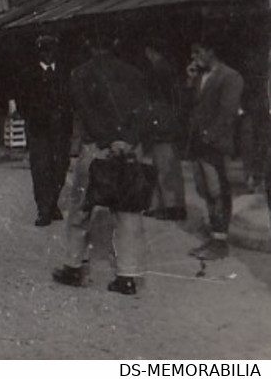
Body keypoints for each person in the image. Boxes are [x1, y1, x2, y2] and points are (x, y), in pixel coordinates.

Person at [52, 28, 151, 296]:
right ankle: (128, 275)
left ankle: (74, 266)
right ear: (115, 43)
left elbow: (85, 112)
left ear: (88, 44)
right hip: (128, 150)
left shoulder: (80, 73)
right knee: (128, 211)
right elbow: (144, 112)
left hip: (96, 148)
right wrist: (126, 141)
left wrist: (108, 140)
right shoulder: (134, 74)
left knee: (81, 207)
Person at [185, 33, 244, 262]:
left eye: (198, 52)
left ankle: (220, 242)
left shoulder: (231, 77)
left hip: (216, 146)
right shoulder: (200, 76)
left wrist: (209, 137)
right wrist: (189, 82)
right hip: (199, 144)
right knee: (206, 191)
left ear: (211, 52)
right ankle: (214, 236)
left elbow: (228, 113)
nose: (194, 57)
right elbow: (189, 106)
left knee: (218, 192)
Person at [15, 34, 73, 226]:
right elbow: (22, 103)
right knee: (41, 169)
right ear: (39, 53)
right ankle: (43, 209)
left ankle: (53, 203)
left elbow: (70, 100)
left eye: (51, 51)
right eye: (44, 51)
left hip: (61, 130)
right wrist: (33, 117)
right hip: (39, 130)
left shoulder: (64, 73)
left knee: (60, 167)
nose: (48, 55)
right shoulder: (28, 74)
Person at [138, 41, 187, 222]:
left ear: (149, 50)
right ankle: (166, 205)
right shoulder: (167, 68)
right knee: (163, 164)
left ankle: (173, 206)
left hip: (162, 123)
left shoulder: (158, 70)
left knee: (166, 165)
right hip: (165, 122)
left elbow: (161, 98)